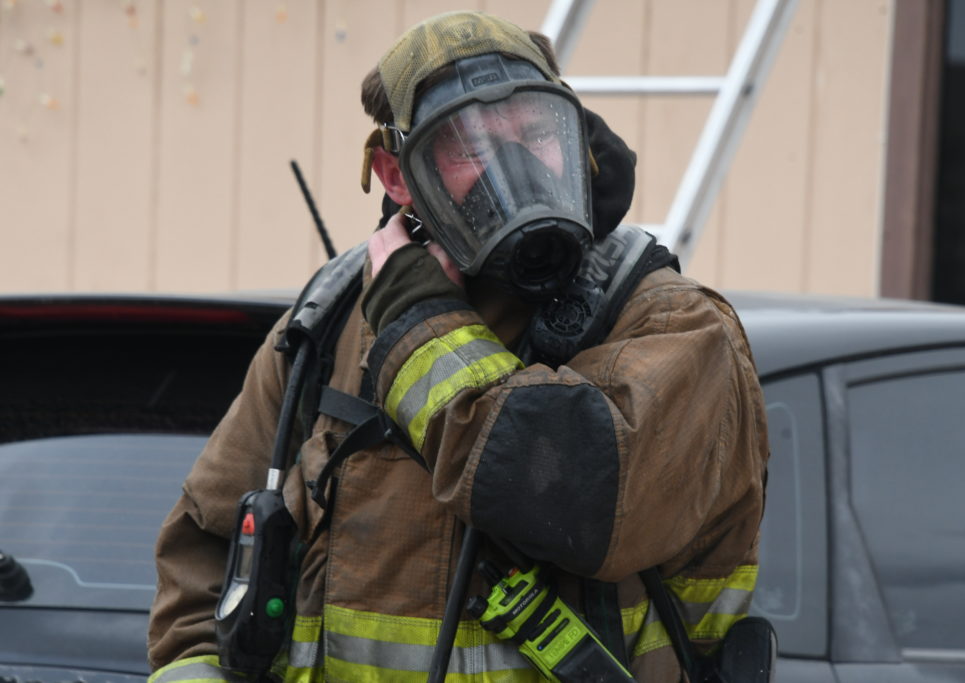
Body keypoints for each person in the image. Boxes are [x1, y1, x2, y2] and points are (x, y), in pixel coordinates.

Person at [147, 10, 769, 683]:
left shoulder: (668, 322)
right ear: (396, 175)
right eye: (470, 147)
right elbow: (206, 553)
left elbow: (585, 503)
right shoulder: (330, 322)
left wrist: (419, 321)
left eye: (538, 133)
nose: (516, 167)